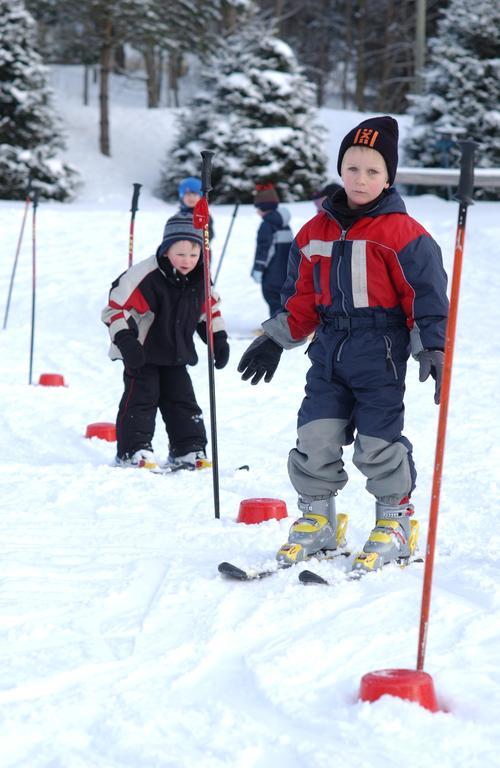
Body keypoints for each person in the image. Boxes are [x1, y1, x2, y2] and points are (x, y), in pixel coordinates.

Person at [238, 116, 448, 573]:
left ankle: (394, 523)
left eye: (373, 171)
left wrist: (432, 345)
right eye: (352, 168)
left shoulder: (403, 234)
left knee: (377, 442)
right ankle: (318, 521)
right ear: (340, 169)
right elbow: (301, 298)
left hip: (382, 353)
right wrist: (275, 339)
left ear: (388, 176)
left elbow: (426, 296)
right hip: (328, 351)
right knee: (315, 435)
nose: (360, 179)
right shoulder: (314, 232)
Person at [102, 211, 229, 471]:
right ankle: (132, 450)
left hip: (176, 352)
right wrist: (126, 341)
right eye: (180, 254)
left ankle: (188, 449)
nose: (187, 261)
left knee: (182, 400)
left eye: (194, 255)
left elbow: (209, 310)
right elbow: (115, 308)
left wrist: (218, 338)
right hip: (142, 352)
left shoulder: (200, 278)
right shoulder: (145, 275)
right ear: (166, 249)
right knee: (141, 400)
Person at [251, 183, 293, 316]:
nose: (257, 211)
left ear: (263, 207)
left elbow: (265, 249)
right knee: (284, 302)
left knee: (273, 300)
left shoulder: (267, 225)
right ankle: (287, 327)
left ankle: (277, 330)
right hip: (287, 274)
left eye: (257, 207)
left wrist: (258, 268)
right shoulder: (285, 225)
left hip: (271, 274)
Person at [167, 177, 215, 242]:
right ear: (182, 197)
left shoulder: (204, 215)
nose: (191, 198)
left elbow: (210, 235)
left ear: (200, 197)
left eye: (195, 194)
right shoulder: (179, 216)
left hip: (200, 249)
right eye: (188, 194)